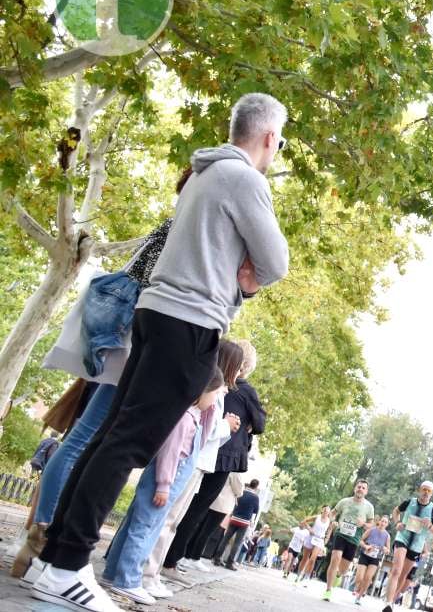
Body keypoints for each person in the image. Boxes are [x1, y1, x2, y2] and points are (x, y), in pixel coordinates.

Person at [31, 93, 290, 612]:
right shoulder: (245, 180)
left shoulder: (202, 175)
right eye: (280, 141)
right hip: (190, 323)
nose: (278, 149)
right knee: (127, 445)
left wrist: (244, 272)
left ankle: (53, 558)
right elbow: (276, 261)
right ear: (268, 138)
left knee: (110, 436)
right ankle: (66, 566)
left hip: (156, 315)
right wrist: (249, 276)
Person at [13, 181, 185, 583]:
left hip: (119, 334)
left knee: (85, 437)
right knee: (91, 437)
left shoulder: (172, 222)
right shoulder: (183, 226)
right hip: (132, 337)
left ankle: (38, 538)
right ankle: (45, 542)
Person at [98, 362, 225, 605]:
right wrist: (164, 484)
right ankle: (128, 579)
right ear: (201, 390)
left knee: (136, 525)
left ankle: (113, 572)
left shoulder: (195, 415)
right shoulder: (186, 418)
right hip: (162, 482)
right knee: (144, 529)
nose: (217, 400)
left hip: (163, 482)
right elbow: (170, 453)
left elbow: (206, 433)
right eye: (216, 393)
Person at [141, 340, 244, 598]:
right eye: (239, 366)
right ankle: (146, 573)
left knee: (170, 521)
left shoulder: (218, 392)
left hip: (197, 464)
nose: (241, 372)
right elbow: (204, 432)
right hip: (192, 461)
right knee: (166, 520)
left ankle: (148, 573)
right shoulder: (210, 390)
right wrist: (225, 426)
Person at [162, 339, 263, 577]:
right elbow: (259, 422)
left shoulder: (212, 379)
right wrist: (243, 424)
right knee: (192, 508)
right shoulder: (244, 390)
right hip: (221, 452)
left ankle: (170, 557)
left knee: (183, 506)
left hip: (201, 447)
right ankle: (171, 559)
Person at [383, 481, 433, 612]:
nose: (426, 492)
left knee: (403, 574)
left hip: (416, 545)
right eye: (424, 489)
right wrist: (397, 522)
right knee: (396, 570)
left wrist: (431, 526)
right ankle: (387, 604)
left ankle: (392, 600)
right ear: (420, 490)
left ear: (431, 494)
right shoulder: (410, 502)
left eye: (429, 491)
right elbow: (396, 511)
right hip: (402, 538)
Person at [324, 479, 375, 601]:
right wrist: (333, 521)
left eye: (363, 488)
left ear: (366, 491)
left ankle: (338, 575)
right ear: (355, 488)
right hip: (340, 534)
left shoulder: (369, 507)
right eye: (359, 487)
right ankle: (328, 590)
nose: (360, 489)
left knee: (343, 569)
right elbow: (332, 513)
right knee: (335, 558)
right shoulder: (344, 501)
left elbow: (371, 525)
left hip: (354, 539)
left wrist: (363, 524)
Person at [213, 479, 261, 569]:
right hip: (244, 522)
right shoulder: (255, 497)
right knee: (237, 543)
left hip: (234, 518)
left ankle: (217, 558)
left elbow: (235, 503)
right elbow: (256, 510)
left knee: (225, 539)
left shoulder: (241, 492)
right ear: (256, 486)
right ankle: (229, 563)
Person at [353, 516, 391, 605]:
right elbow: (360, 540)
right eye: (382, 521)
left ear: (387, 524)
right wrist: (366, 546)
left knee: (368, 578)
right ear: (379, 522)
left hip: (375, 558)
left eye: (385, 522)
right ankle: (358, 587)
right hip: (365, 555)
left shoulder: (387, 536)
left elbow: (388, 550)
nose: (383, 523)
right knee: (359, 578)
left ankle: (358, 598)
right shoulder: (371, 530)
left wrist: (386, 550)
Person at [296, 505, 333, 583]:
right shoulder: (317, 517)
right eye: (325, 509)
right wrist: (309, 529)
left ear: (329, 512)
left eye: (328, 510)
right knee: (305, 558)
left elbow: (329, 530)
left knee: (313, 559)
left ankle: (307, 576)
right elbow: (304, 521)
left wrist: (326, 539)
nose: (326, 511)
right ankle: (298, 575)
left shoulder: (329, 521)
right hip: (311, 537)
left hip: (319, 540)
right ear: (322, 510)